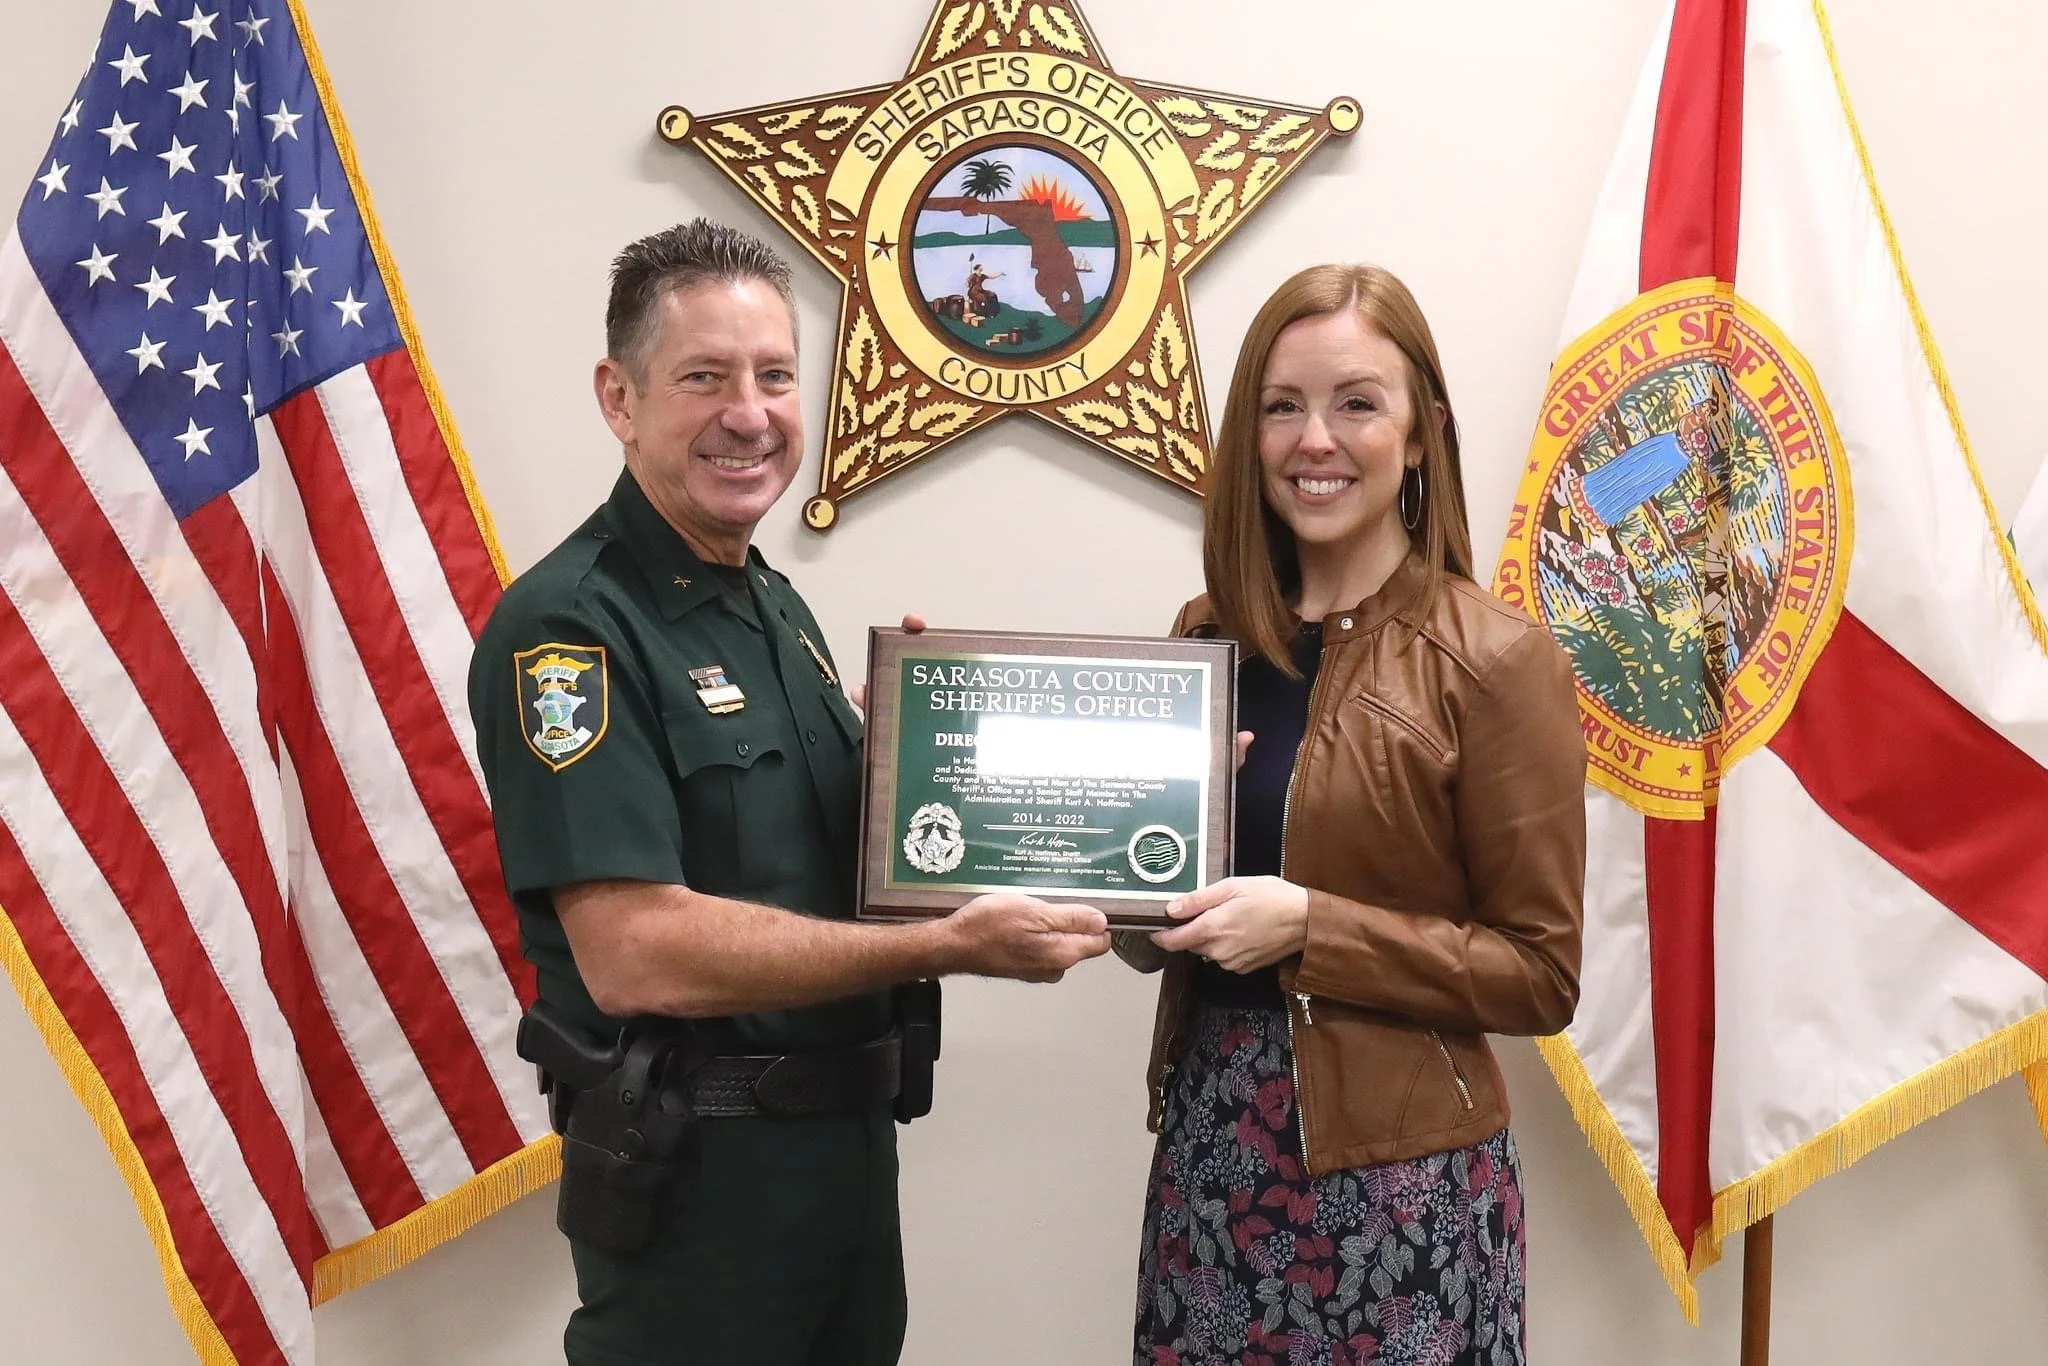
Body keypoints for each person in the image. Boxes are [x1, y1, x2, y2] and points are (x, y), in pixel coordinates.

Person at [467, 218, 1111, 1366]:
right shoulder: (569, 626)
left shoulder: (773, 608)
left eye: (773, 376)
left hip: (845, 1169)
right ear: (618, 398)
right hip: (699, 1192)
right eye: (702, 378)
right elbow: (634, 951)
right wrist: (944, 948)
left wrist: (1097, 773)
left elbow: (846, 859)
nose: (749, 414)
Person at [1119, 264, 1587, 1366]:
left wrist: (1309, 928)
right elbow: (1157, 912)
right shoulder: (1202, 639)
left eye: (1355, 403)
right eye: (1281, 405)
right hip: (1212, 1147)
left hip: (1399, 1184)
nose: (1313, 439)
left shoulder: (1498, 661)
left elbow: (1539, 973)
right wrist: (1124, 905)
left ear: (1420, 435)